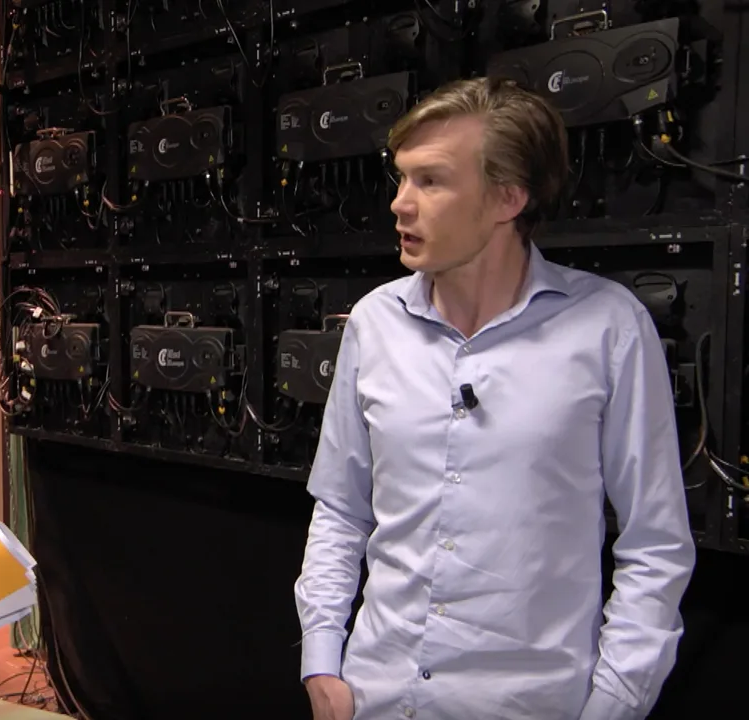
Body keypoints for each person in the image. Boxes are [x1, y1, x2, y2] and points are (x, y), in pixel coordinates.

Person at [294, 77, 696, 720]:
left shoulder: (609, 328)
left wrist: (613, 706)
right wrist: (321, 659)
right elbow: (342, 509)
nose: (399, 203)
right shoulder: (373, 322)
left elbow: (655, 547)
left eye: (430, 181)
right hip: (375, 696)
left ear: (508, 197)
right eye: (401, 178)